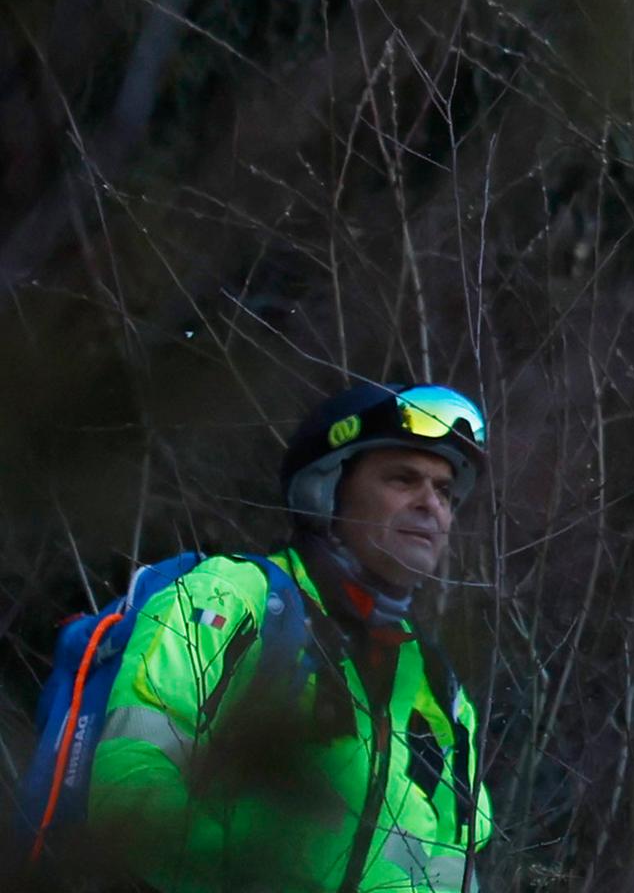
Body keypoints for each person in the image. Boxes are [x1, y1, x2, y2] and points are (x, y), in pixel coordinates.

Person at [78, 382, 495, 892]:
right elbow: (128, 784)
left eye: (444, 491)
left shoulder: (435, 682)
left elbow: (456, 864)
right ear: (328, 489)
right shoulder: (233, 598)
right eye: (404, 479)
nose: (430, 504)